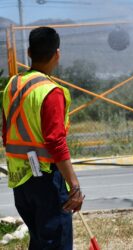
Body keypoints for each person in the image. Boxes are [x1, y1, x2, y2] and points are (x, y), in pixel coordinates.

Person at [2, 26, 84, 250]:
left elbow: (5, 132)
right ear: (57, 54)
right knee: (55, 243)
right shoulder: (50, 91)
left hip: (21, 181)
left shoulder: (12, 86)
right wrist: (74, 185)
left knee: (40, 243)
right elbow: (56, 142)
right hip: (47, 181)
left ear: (29, 52)